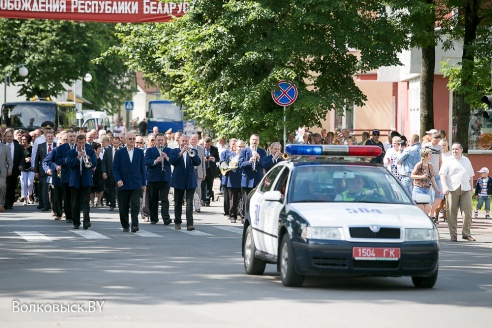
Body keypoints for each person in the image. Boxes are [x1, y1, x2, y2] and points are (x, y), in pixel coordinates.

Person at [439, 142, 475, 242]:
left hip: (466, 188)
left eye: (456, 149)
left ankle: (466, 234)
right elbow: (442, 174)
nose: (454, 151)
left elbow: (471, 175)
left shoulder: (466, 160)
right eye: (453, 149)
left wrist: (471, 188)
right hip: (452, 189)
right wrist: (444, 186)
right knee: (451, 212)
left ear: (461, 150)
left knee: (467, 212)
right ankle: (453, 235)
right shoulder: (448, 160)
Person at [112, 132, 147, 233]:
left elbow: (142, 169)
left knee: (135, 205)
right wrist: (118, 179)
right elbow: (115, 168)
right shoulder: (119, 153)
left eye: (133, 139)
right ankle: (125, 225)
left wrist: (144, 183)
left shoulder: (139, 152)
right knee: (123, 206)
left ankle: (135, 225)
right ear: (125, 140)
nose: (132, 141)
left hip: (136, 183)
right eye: (130, 139)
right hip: (123, 183)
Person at [169, 135, 201, 231]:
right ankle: (177, 222)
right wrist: (181, 152)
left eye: (186, 141)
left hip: (190, 180)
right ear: (179, 141)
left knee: (189, 203)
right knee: (178, 202)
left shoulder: (192, 151)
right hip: (178, 180)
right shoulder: (174, 151)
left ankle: (190, 224)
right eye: (183, 141)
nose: (185, 143)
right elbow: (172, 161)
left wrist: (192, 153)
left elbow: (197, 162)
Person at [66, 134, 97, 230]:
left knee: (85, 202)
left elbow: (94, 164)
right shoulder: (70, 152)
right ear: (76, 142)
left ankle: (86, 221)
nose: (81, 144)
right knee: (75, 203)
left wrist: (87, 157)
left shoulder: (90, 151)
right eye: (80, 143)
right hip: (75, 180)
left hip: (86, 180)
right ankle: (76, 222)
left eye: (83, 142)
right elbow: (69, 164)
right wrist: (77, 157)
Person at [145, 133, 172, 225]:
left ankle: (166, 217)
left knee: (164, 199)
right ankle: (154, 218)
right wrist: (155, 161)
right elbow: (146, 161)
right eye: (158, 140)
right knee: (153, 198)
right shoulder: (150, 150)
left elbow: (173, 161)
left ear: (165, 141)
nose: (160, 142)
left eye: (162, 140)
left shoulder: (168, 150)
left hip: (165, 177)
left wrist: (166, 157)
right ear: (155, 141)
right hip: (153, 178)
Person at [238, 134, 267, 220]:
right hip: (247, 179)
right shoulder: (244, 151)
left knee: (257, 200)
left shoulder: (262, 151)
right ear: (249, 141)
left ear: (259, 141)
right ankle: (246, 218)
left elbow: (265, 164)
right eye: (253, 140)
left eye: (256, 140)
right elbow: (240, 164)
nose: (255, 141)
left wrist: (259, 159)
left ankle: (255, 218)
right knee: (247, 200)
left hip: (258, 180)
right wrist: (249, 162)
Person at [410, 148, 440, 214]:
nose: (431, 156)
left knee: (428, 208)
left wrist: (436, 189)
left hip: (427, 189)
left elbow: (432, 179)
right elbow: (412, 175)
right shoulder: (419, 165)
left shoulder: (430, 166)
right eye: (430, 154)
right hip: (418, 188)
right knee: (419, 208)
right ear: (425, 155)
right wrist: (421, 177)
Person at [422, 131, 444, 222]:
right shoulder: (426, 146)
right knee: (429, 195)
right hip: (428, 174)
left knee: (440, 195)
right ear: (432, 138)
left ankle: (432, 212)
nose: (436, 142)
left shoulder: (439, 147)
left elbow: (440, 159)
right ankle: (427, 215)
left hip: (437, 174)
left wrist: (440, 170)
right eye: (435, 140)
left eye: (438, 140)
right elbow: (422, 158)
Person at [34, 130, 56, 212]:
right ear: (45, 138)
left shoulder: (56, 146)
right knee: (44, 188)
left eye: (51, 136)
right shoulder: (41, 146)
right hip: (43, 170)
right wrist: (36, 171)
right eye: (48, 136)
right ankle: (45, 205)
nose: (50, 138)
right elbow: (37, 159)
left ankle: (52, 204)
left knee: (52, 189)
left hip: (54, 170)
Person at [3, 129, 25, 209]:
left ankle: (10, 203)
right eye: (8, 136)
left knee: (12, 186)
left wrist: (21, 165)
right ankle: (4, 202)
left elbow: (22, 157)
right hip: (3, 169)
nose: (9, 138)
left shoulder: (18, 146)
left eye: (11, 136)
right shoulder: (2, 145)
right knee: (4, 186)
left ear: (13, 137)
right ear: (5, 137)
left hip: (14, 169)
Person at [226, 140, 244, 223]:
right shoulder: (230, 155)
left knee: (243, 199)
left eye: (242, 146)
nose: (241, 148)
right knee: (233, 199)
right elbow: (224, 166)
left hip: (243, 180)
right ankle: (232, 215)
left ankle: (242, 215)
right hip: (233, 180)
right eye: (239, 146)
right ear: (235, 147)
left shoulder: (246, 155)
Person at [102, 137, 120, 211]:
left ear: (119, 143)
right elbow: (104, 163)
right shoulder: (108, 150)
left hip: (119, 173)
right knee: (111, 189)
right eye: (114, 143)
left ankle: (121, 204)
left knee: (120, 189)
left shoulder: (122, 150)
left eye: (117, 143)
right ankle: (112, 204)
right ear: (112, 142)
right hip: (110, 173)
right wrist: (104, 172)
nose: (115, 144)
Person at [189, 134, 206, 213]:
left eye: (195, 139)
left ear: (197, 140)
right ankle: (190, 204)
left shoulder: (201, 149)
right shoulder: (187, 148)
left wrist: (204, 173)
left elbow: (203, 162)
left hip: (199, 172)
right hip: (189, 172)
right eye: (192, 139)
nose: (193, 141)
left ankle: (197, 206)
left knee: (198, 188)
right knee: (190, 188)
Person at [202, 137, 219, 206]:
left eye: (208, 145)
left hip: (210, 170)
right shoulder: (201, 149)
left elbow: (218, 159)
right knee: (203, 185)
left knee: (209, 185)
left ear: (211, 143)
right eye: (205, 145)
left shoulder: (214, 149)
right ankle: (202, 199)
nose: (207, 146)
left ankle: (207, 200)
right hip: (203, 169)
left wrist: (213, 159)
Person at [20, 135, 34, 205]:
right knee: (24, 184)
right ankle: (25, 198)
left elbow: (34, 156)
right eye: (22, 139)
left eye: (24, 139)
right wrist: (24, 159)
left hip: (31, 168)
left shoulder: (32, 148)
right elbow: (19, 157)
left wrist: (30, 159)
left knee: (30, 183)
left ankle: (30, 195)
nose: (23, 141)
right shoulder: (20, 148)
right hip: (23, 168)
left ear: (28, 140)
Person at [0, 133, 13, 212]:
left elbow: (9, 161)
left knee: (2, 187)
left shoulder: (5, 147)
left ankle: (1, 204)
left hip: (2, 171)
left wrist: (9, 170)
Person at [90, 143, 104, 207]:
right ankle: (92, 202)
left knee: (101, 188)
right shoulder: (91, 156)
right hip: (93, 174)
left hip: (100, 174)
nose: (100, 150)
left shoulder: (101, 155)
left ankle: (99, 201)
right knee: (92, 189)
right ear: (95, 150)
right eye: (98, 149)